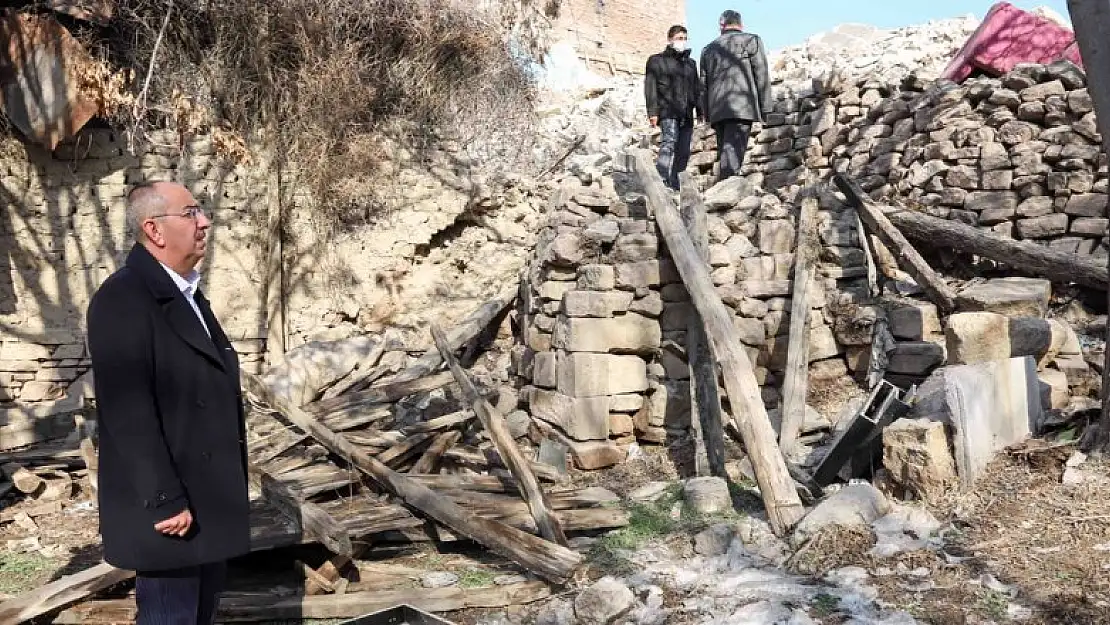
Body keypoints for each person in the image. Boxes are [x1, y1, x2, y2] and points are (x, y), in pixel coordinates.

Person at [86, 181, 250, 625]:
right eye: (192, 212)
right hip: (172, 507)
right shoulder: (123, 299)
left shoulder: (188, 294)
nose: (205, 222)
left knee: (199, 616)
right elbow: (127, 412)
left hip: (207, 497)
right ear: (154, 230)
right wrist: (164, 499)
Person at [700, 10, 773, 182]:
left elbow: (703, 84)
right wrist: (766, 109)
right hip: (742, 107)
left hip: (717, 109)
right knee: (732, 153)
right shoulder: (751, 41)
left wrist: (707, 113)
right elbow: (761, 74)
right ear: (741, 24)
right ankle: (727, 194)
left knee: (725, 151)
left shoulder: (708, 49)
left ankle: (724, 190)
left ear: (721, 25)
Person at [645, 24, 702, 190]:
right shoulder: (656, 61)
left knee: (683, 150)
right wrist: (652, 112)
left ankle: (676, 184)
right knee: (668, 144)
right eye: (679, 38)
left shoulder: (690, 63)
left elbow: (696, 88)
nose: (682, 42)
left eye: (684, 39)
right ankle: (660, 181)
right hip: (667, 111)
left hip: (686, 113)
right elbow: (650, 88)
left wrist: (699, 109)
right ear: (670, 40)